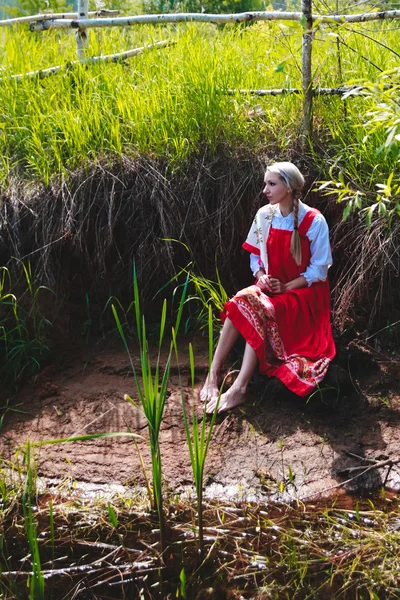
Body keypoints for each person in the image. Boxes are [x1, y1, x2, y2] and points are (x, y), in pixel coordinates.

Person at [201, 161, 336, 414]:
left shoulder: (314, 221)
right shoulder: (265, 215)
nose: (265, 189)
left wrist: (286, 287)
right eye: (265, 183)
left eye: (271, 184)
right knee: (242, 298)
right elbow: (256, 256)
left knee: (258, 305)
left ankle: (240, 388)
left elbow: (319, 271)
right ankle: (213, 373)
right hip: (271, 287)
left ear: (289, 187)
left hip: (303, 294)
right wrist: (261, 276)